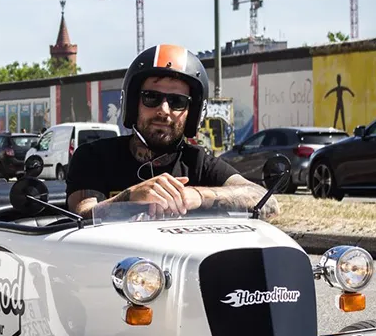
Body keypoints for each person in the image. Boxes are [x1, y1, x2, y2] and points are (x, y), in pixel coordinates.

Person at [65, 43, 275, 218]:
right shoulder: (94, 157)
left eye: (177, 101)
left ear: (192, 113)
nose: (163, 111)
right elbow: (82, 213)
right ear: (132, 103)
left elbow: (268, 202)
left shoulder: (199, 164)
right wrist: (132, 196)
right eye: (151, 97)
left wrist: (197, 196)